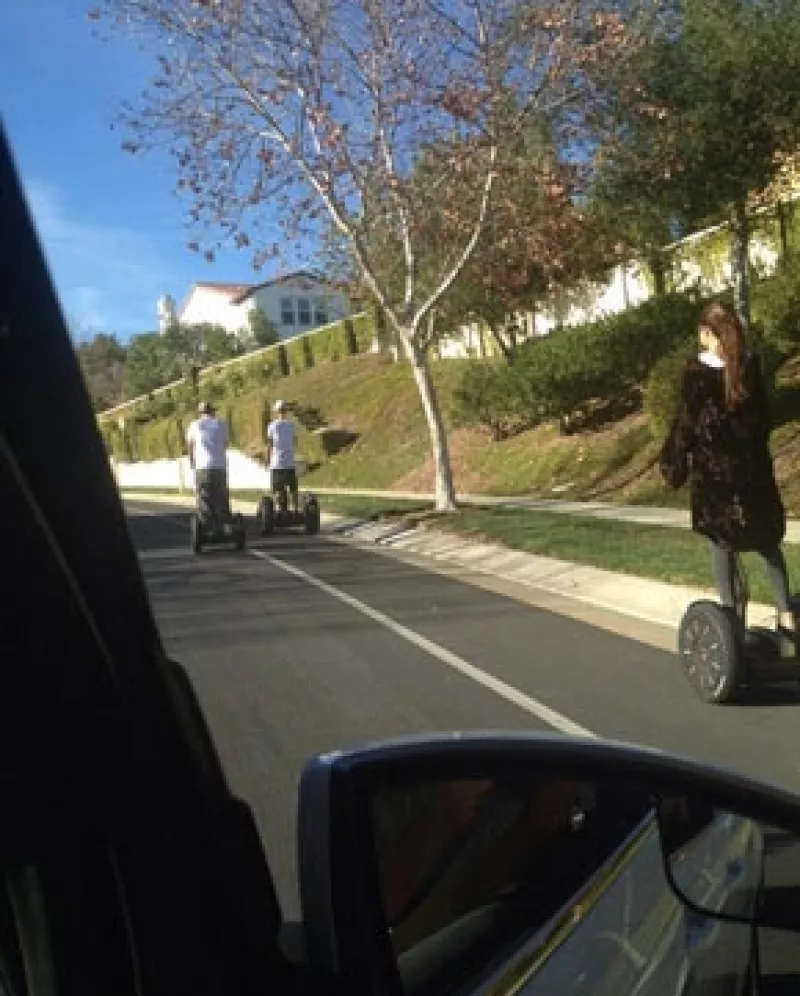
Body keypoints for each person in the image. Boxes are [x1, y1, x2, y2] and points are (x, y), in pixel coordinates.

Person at [660, 300, 795, 653]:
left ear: (708, 333)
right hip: (753, 474)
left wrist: (674, 464)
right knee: (767, 544)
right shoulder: (749, 365)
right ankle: (786, 615)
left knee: (721, 545)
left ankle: (732, 620)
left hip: (715, 478)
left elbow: (686, 424)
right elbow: (764, 418)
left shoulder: (697, 372)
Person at [186, 400, 231, 525]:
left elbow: (190, 447)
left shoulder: (194, 425)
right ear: (212, 411)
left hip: (202, 467)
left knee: (204, 498)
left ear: (200, 413)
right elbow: (225, 444)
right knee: (221, 496)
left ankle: (207, 524)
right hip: (219, 466)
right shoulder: (221, 424)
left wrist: (192, 463)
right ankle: (225, 523)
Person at [266, 399, 299, 512]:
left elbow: (270, 445)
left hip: (276, 463)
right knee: (293, 490)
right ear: (286, 411)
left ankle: (277, 510)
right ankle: (295, 510)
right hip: (289, 462)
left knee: (277, 490)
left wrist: (267, 460)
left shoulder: (272, 426)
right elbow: (295, 443)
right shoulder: (291, 425)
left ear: (276, 411)